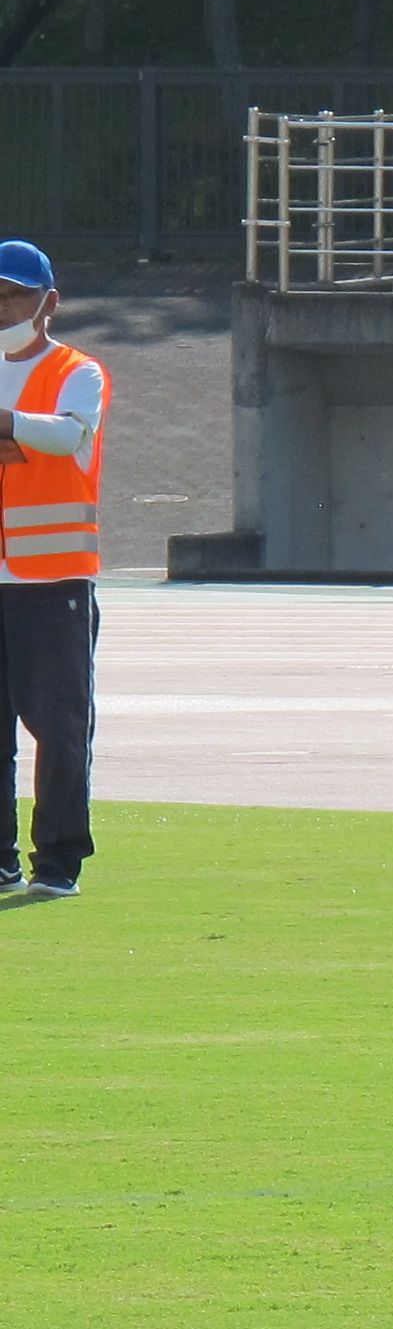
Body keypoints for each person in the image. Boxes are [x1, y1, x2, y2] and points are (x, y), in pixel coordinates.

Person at [0, 238, 106, 900]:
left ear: (49, 303)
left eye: (15, 294)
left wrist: (10, 425)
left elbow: (67, 435)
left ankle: (58, 861)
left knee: (59, 727)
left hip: (54, 580)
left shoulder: (78, 370)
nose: (5, 306)